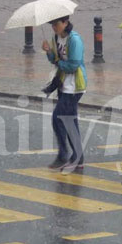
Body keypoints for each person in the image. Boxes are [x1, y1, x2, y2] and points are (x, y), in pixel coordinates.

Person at [41, 15, 87, 172]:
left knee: (57, 119)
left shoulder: (74, 40)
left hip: (74, 86)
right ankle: (78, 157)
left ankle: (64, 153)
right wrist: (48, 52)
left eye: (56, 24)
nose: (54, 27)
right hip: (63, 84)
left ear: (65, 22)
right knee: (69, 120)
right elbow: (55, 58)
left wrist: (57, 62)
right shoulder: (56, 38)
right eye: (52, 24)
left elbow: (73, 64)